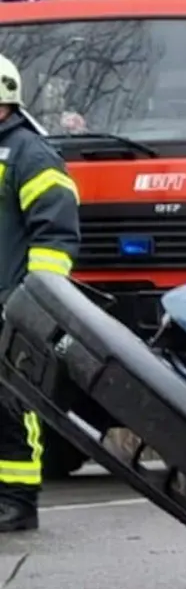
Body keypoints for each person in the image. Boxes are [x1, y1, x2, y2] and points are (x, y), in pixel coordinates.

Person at [0, 52, 80, 531]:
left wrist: (31, 301)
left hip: (11, 305)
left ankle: (16, 502)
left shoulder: (30, 154)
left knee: (9, 404)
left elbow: (55, 232)